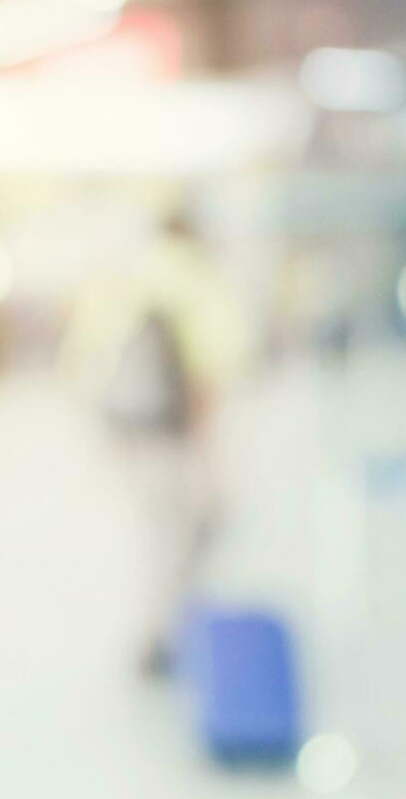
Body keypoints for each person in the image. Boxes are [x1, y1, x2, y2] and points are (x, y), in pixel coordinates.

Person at [61, 206, 248, 677]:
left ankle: (164, 629)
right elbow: (205, 371)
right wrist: (206, 452)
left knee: (163, 532)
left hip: (127, 432)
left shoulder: (125, 277)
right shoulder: (197, 280)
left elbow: (83, 360)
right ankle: (164, 634)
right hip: (172, 434)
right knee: (189, 529)